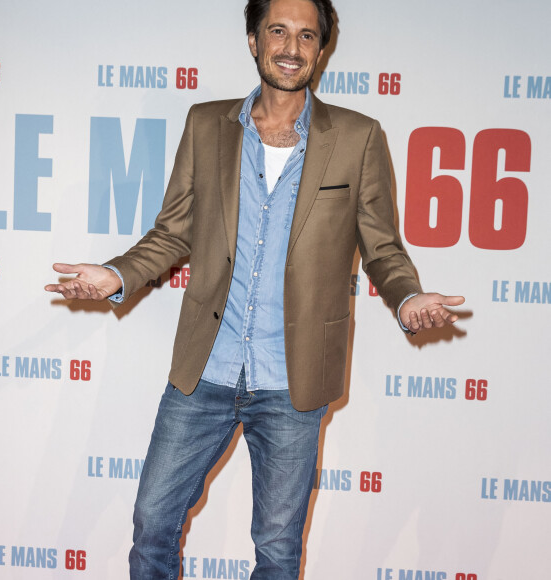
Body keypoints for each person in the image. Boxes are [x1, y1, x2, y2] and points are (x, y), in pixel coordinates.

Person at [46, 0, 464, 577]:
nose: (292, 48)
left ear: (321, 49)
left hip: (294, 379)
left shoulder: (358, 137)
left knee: (277, 550)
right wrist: (117, 274)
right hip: (204, 369)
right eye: (278, 31)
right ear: (253, 40)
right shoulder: (205, 124)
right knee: (152, 522)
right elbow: (173, 232)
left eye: (307, 36)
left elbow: (382, 247)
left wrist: (407, 294)